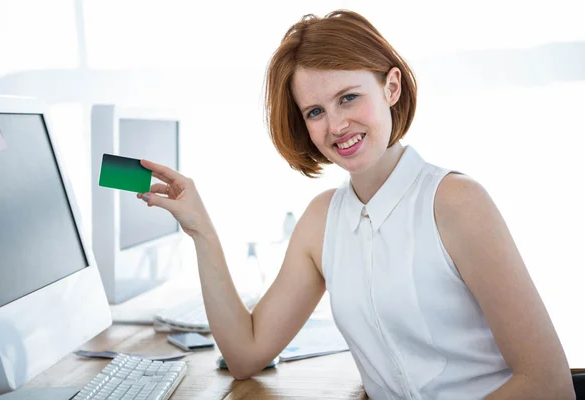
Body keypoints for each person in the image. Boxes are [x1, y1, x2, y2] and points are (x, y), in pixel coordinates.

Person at [137, 10, 575, 400]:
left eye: (348, 97)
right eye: (315, 111)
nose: (336, 125)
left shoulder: (456, 202)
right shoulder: (321, 221)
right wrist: (202, 231)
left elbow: (548, 384)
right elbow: (245, 356)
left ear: (391, 86)